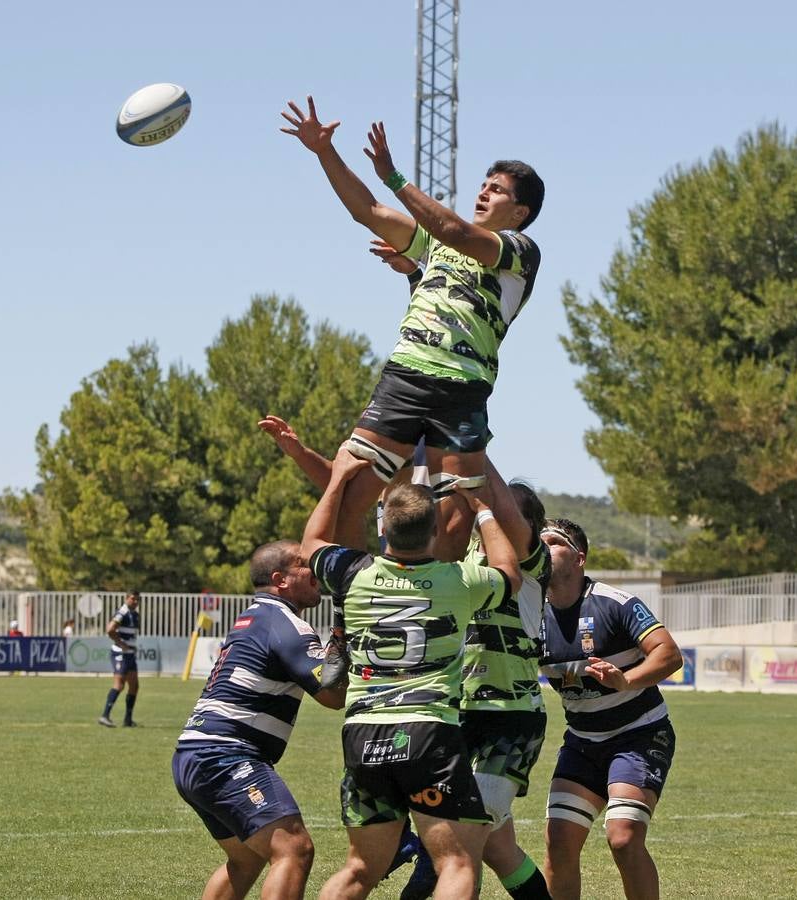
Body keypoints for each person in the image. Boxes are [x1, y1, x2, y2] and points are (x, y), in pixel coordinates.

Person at [258, 416, 552, 899]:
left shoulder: (365, 572)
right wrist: (468, 461)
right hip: (440, 721)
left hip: (495, 715)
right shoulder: (459, 575)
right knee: (472, 851)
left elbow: (337, 522)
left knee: (460, 846)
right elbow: (393, 503)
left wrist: (456, 449)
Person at [281, 95, 543, 563]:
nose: (484, 192)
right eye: (483, 185)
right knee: (351, 490)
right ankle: (356, 600)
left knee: (456, 516)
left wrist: (395, 177)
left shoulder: (520, 250)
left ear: (519, 212)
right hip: (407, 375)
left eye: (497, 189)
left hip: (462, 387)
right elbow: (367, 210)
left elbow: (457, 232)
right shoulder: (434, 244)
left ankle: (439, 599)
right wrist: (324, 152)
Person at [303, 447, 522, 900]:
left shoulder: (352, 573)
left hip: (362, 732)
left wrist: (338, 480)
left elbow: (312, 545)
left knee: (360, 869)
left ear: (383, 528)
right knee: (457, 864)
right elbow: (509, 573)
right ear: (436, 531)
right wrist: (482, 510)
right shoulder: (459, 580)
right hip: (428, 732)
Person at [172, 540, 347, 899]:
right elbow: (333, 696)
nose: (315, 570)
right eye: (304, 564)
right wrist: (344, 640)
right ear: (281, 580)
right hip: (225, 756)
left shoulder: (255, 616)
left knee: (246, 859)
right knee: (294, 849)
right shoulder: (287, 624)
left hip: (193, 754)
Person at [538, 518, 683, 900]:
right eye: (539, 542)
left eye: (554, 542)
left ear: (579, 558)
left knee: (623, 837)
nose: (544, 548)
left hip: (639, 735)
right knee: (558, 840)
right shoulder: (530, 612)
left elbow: (669, 654)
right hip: (582, 742)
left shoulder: (614, 603)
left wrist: (626, 680)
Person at [98, 592, 140, 728]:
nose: (135, 601)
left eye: (137, 599)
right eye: (133, 599)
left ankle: (128, 720)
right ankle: (105, 716)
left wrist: (131, 646)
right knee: (119, 684)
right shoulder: (122, 612)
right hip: (120, 653)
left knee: (134, 686)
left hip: (130, 654)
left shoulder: (134, 614)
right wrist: (121, 643)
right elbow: (110, 629)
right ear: (126, 598)